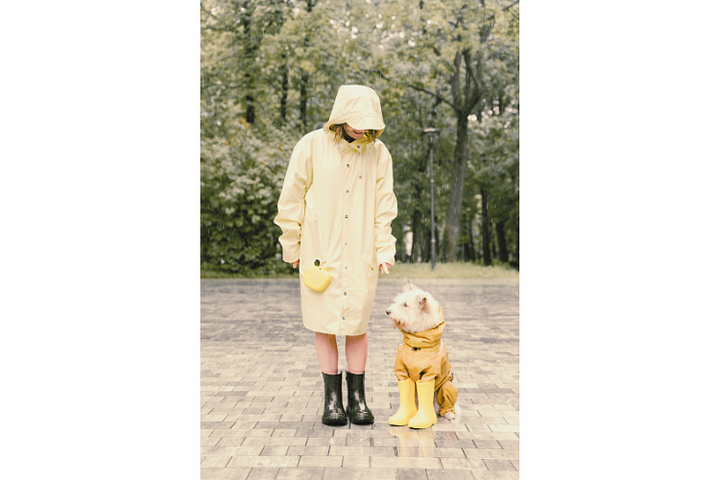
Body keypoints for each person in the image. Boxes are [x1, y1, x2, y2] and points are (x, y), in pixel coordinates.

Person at [274, 85, 397, 426]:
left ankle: (358, 399)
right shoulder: (311, 145)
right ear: (340, 116)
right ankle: (332, 401)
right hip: (320, 251)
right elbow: (291, 197)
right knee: (324, 324)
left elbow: (384, 204)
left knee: (357, 325)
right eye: (355, 121)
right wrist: (292, 243)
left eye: (366, 122)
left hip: (361, 251)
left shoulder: (379, 153)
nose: (360, 128)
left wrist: (385, 247)